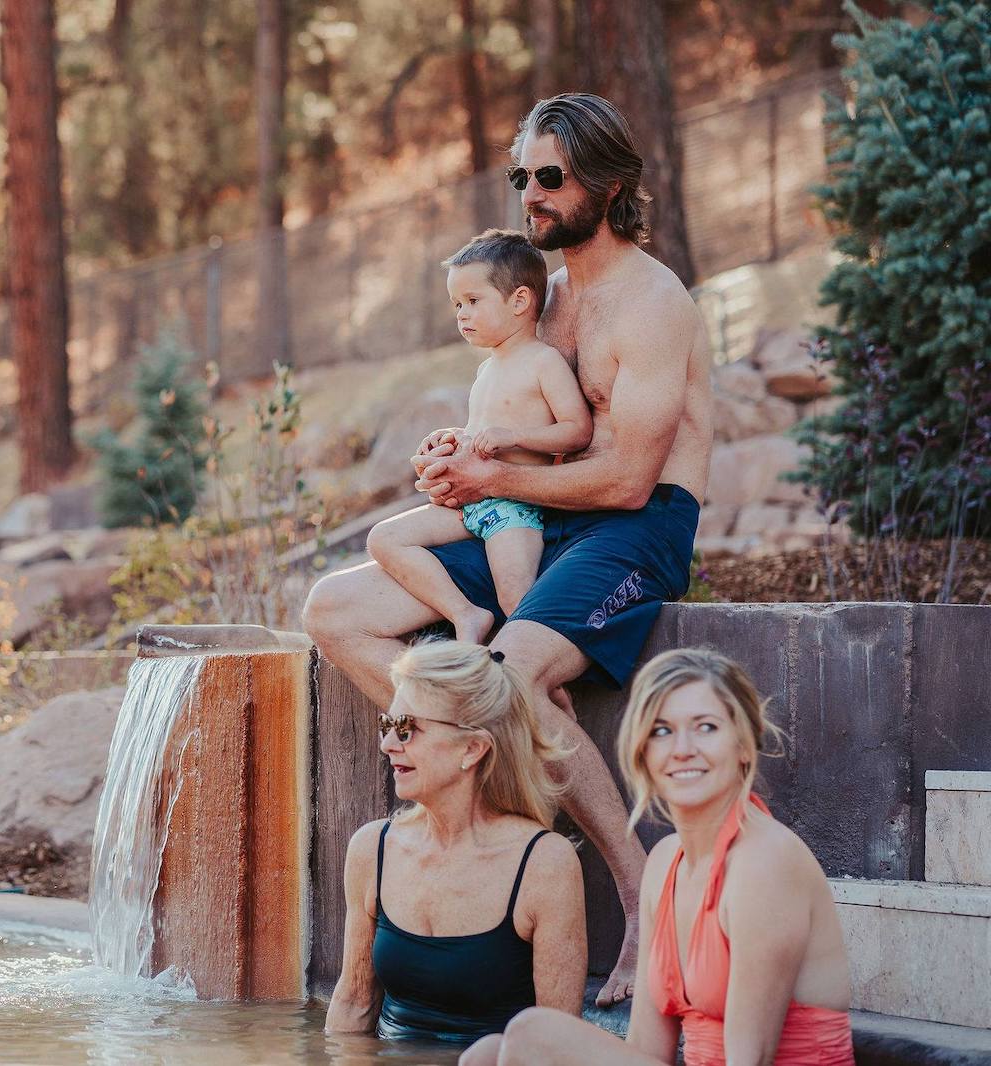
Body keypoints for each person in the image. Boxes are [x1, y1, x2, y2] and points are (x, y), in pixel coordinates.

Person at [304, 92, 713, 1005]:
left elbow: (626, 482)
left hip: (636, 525)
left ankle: (644, 899)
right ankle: (504, 781)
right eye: (520, 174)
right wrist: (459, 461)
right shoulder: (545, 297)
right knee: (335, 607)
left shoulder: (650, 303)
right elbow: (516, 429)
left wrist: (494, 482)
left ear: (607, 184)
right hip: (541, 516)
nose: (530, 192)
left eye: (550, 177)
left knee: (520, 673)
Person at [458, 648, 855, 1066]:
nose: (682, 748)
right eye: (661, 731)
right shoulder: (665, 864)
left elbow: (748, 1060)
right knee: (484, 1055)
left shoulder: (764, 864)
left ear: (743, 745)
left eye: (705, 727)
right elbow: (647, 1053)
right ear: (642, 752)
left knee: (532, 1033)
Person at [324, 640, 586, 1047]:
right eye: (386, 725)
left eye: (407, 727)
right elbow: (354, 1005)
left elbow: (558, 1041)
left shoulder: (544, 864)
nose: (388, 744)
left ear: (472, 749)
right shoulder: (371, 849)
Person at [365, 229, 592, 643]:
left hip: (515, 508)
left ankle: (545, 680)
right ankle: (465, 614)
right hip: (471, 504)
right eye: (457, 304)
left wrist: (514, 437)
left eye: (472, 301)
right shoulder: (486, 370)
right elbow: (480, 434)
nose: (461, 315)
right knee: (384, 538)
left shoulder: (543, 362)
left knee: (517, 601)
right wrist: (452, 440)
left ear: (520, 301)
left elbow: (577, 431)